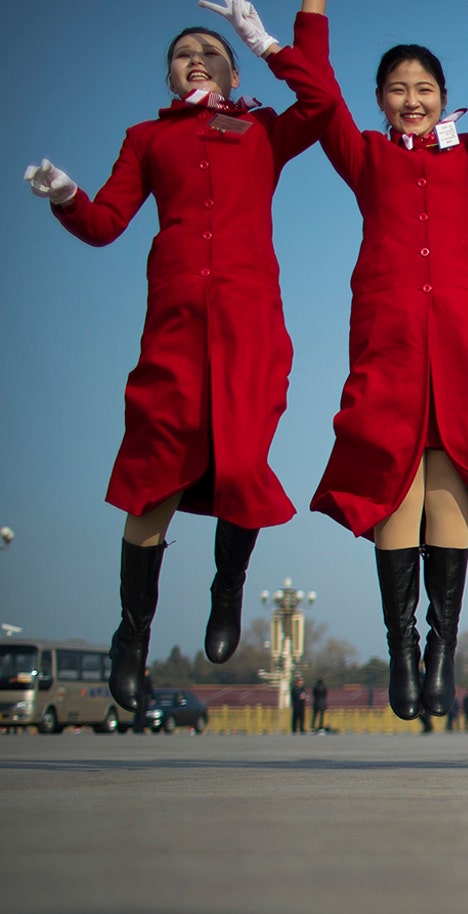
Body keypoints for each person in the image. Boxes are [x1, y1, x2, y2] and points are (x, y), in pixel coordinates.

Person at [24, 1, 332, 711]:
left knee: (245, 465)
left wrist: (266, 42)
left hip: (251, 324)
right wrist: (66, 197)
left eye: (211, 49)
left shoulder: (262, 131)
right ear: (168, 72)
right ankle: (132, 635)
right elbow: (104, 224)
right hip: (174, 327)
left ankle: (227, 590)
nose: (196, 56)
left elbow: (319, 99)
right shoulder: (145, 140)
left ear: (230, 67)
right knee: (151, 471)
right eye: (183, 51)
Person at [306, 0, 468, 725]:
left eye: (424, 89)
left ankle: (441, 654)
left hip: (463, 335)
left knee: (452, 475)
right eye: (397, 89)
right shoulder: (365, 157)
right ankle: (402, 647)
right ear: (380, 100)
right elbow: (316, 94)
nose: (412, 101)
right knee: (393, 478)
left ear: (443, 99)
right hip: (388, 338)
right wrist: (311, 13)